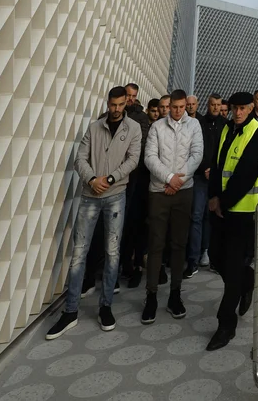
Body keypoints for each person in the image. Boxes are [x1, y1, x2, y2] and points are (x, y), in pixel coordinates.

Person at [46, 86, 141, 339]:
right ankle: (70, 311)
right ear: (108, 103)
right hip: (90, 195)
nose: (117, 109)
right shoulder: (94, 127)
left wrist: (109, 179)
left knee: (112, 252)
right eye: (113, 105)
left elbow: (133, 160)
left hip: (116, 196)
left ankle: (106, 306)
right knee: (79, 253)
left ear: (126, 105)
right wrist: (92, 180)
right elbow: (80, 159)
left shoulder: (133, 129)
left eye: (121, 105)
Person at [207, 91, 258, 350]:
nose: (239, 112)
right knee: (216, 258)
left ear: (251, 108)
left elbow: (245, 175)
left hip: (244, 212)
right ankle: (247, 280)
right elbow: (217, 163)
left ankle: (225, 325)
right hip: (222, 209)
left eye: (243, 108)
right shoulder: (227, 129)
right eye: (235, 108)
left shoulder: (257, 135)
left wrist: (223, 201)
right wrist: (214, 196)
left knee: (231, 267)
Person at [141, 89, 203, 324]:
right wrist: (169, 178)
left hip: (183, 192)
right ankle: (152, 296)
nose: (177, 111)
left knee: (179, 244)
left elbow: (196, 155)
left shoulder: (194, 126)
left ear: (186, 105)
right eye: (173, 107)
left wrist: (179, 180)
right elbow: (149, 157)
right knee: (156, 244)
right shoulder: (157, 127)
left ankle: (175, 294)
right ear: (168, 107)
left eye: (181, 107)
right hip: (159, 192)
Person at [185, 93, 223, 276]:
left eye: (218, 105)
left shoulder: (225, 125)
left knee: (213, 217)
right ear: (207, 105)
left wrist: (215, 171)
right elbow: (194, 149)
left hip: (217, 178)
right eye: (212, 104)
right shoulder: (198, 123)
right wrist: (204, 168)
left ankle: (209, 254)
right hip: (200, 177)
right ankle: (193, 260)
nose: (215, 107)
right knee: (197, 216)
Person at [120, 83, 152, 287]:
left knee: (136, 223)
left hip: (137, 178)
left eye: (133, 96)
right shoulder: (111, 116)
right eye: (128, 95)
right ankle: (123, 265)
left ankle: (135, 265)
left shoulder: (141, 118)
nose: (131, 99)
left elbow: (140, 147)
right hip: (118, 178)